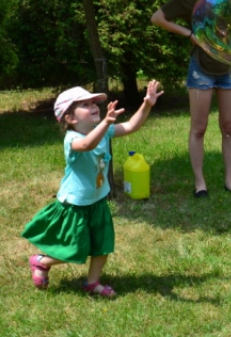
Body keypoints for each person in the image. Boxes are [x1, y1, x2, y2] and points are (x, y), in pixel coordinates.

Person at [23, 81, 164, 298]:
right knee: (75, 249)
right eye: (85, 105)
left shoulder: (104, 131)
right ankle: (41, 261)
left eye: (93, 103)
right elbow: (87, 145)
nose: (93, 106)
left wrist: (147, 104)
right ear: (70, 118)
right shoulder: (72, 139)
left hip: (98, 200)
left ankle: (92, 283)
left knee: (102, 245)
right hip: (76, 205)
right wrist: (106, 122)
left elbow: (131, 126)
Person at [150, 0, 231, 198]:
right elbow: (158, 18)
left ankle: (230, 181)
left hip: (229, 68)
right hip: (201, 69)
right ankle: (200, 183)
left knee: (229, 126)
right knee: (199, 127)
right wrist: (189, 34)